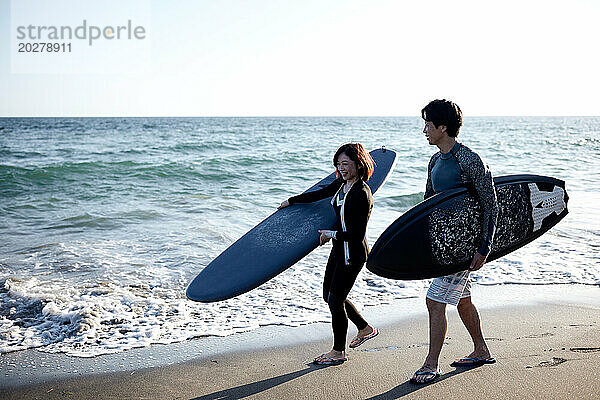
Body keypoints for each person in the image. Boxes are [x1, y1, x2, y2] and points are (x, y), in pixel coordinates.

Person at [411, 99, 498, 384]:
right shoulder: (435, 160)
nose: (424, 129)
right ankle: (481, 349)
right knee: (462, 300)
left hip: (465, 247)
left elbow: (490, 204)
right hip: (444, 247)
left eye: (428, 124)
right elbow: (428, 202)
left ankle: (431, 363)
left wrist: (483, 247)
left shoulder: (469, 159)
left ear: (443, 126)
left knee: (435, 301)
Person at [278, 143, 380, 365]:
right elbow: (321, 193)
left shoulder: (361, 193)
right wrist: (292, 201)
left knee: (335, 300)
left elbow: (355, 234)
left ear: (358, 163)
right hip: (339, 250)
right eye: (338, 164)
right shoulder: (341, 185)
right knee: (329, 296)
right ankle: (365, 328)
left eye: (345, 163)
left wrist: (330, 233)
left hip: (352, 253)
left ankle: (338, 352)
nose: (341, 168)